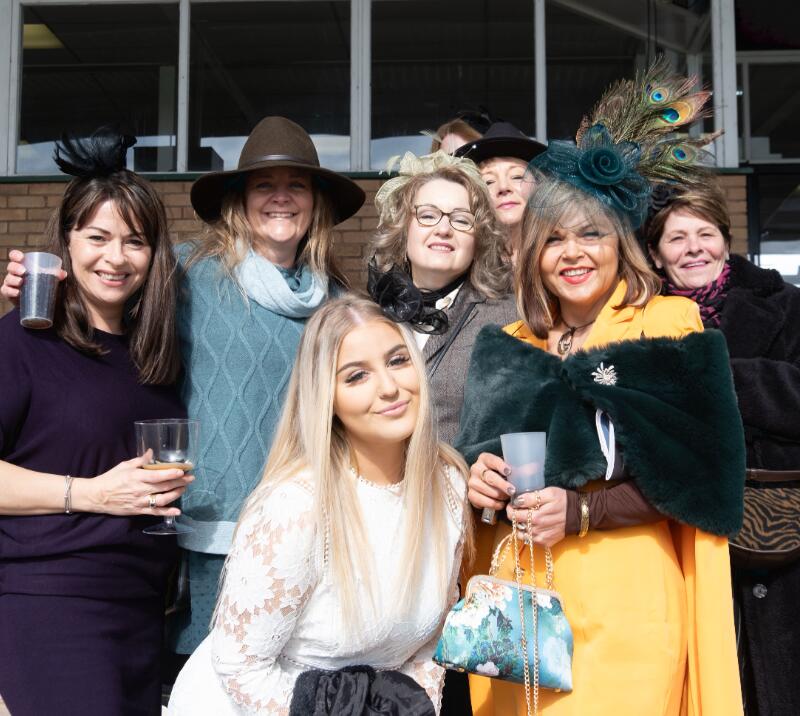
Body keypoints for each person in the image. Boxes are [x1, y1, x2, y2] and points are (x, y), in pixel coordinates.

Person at [1, 116, 367, 659]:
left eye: (298, 186)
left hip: (307, 526)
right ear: (240, 201)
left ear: (317, 203)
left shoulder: (337, 299)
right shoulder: (190, 271)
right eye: (265, 185)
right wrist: (37, 289)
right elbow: (109, 278)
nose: (281, 199)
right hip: (197, 532)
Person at [460, 62, 744, 715]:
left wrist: (585, 511)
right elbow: (480, 494)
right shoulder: (508, 346)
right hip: (521, 619)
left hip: (631, 612)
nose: (573, 252)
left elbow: (706, 473)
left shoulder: (667, 325)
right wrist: (476, 483)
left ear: (620, 242)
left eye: (590, 233)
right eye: (553, 238)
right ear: (531, 253)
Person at [168, 295, 471, 715]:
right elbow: (240, 668)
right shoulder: (297, 507)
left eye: (398, 360)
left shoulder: (449, 484)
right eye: (356, 376)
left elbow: (428, 646)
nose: (389, 388)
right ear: (326, 399)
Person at [0, 128, 189, 715]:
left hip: (139, 612)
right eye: (97, 237)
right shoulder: (23, 341)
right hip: (50, 606)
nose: (115, 257)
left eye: (135, 242)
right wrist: (91, 493)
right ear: (66, 243)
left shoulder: (156, 353)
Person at [644, 181, 800, 716]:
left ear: (726, 241)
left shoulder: (785, 306)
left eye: (706, 234)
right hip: (678, 531)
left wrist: (721, 379)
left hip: (780, 527)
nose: (694, 248)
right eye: (677, 237)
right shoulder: (639, 323)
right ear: (655, 255)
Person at [368, 150, 516, 445]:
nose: (444, 229)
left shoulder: (508, 320)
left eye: (461, 220)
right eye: (427, 215)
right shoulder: (368, 316)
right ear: (402, 228)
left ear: (479, 237)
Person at [456, 121, 546, 258]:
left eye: (517, 177)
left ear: (539, 185)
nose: (503, 187)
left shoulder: (557, 257)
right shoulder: (465, 263)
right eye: (489, 181)